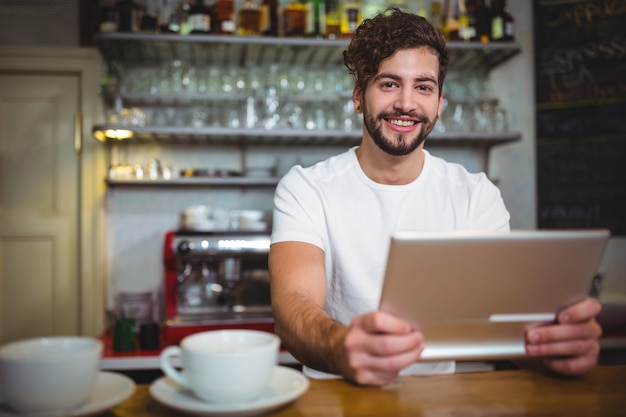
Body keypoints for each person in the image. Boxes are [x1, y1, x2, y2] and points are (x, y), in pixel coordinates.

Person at [268, 9, 602, 386]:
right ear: (359, 96)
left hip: (437, 401)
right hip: (335, 398)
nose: (407, 103)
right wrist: (341, 346)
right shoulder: (306, 187)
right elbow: (293, 307)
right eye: (389, 83)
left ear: (440, 103)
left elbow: (502, 318)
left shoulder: (476, 195)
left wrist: (552, 347)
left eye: (423, 87)